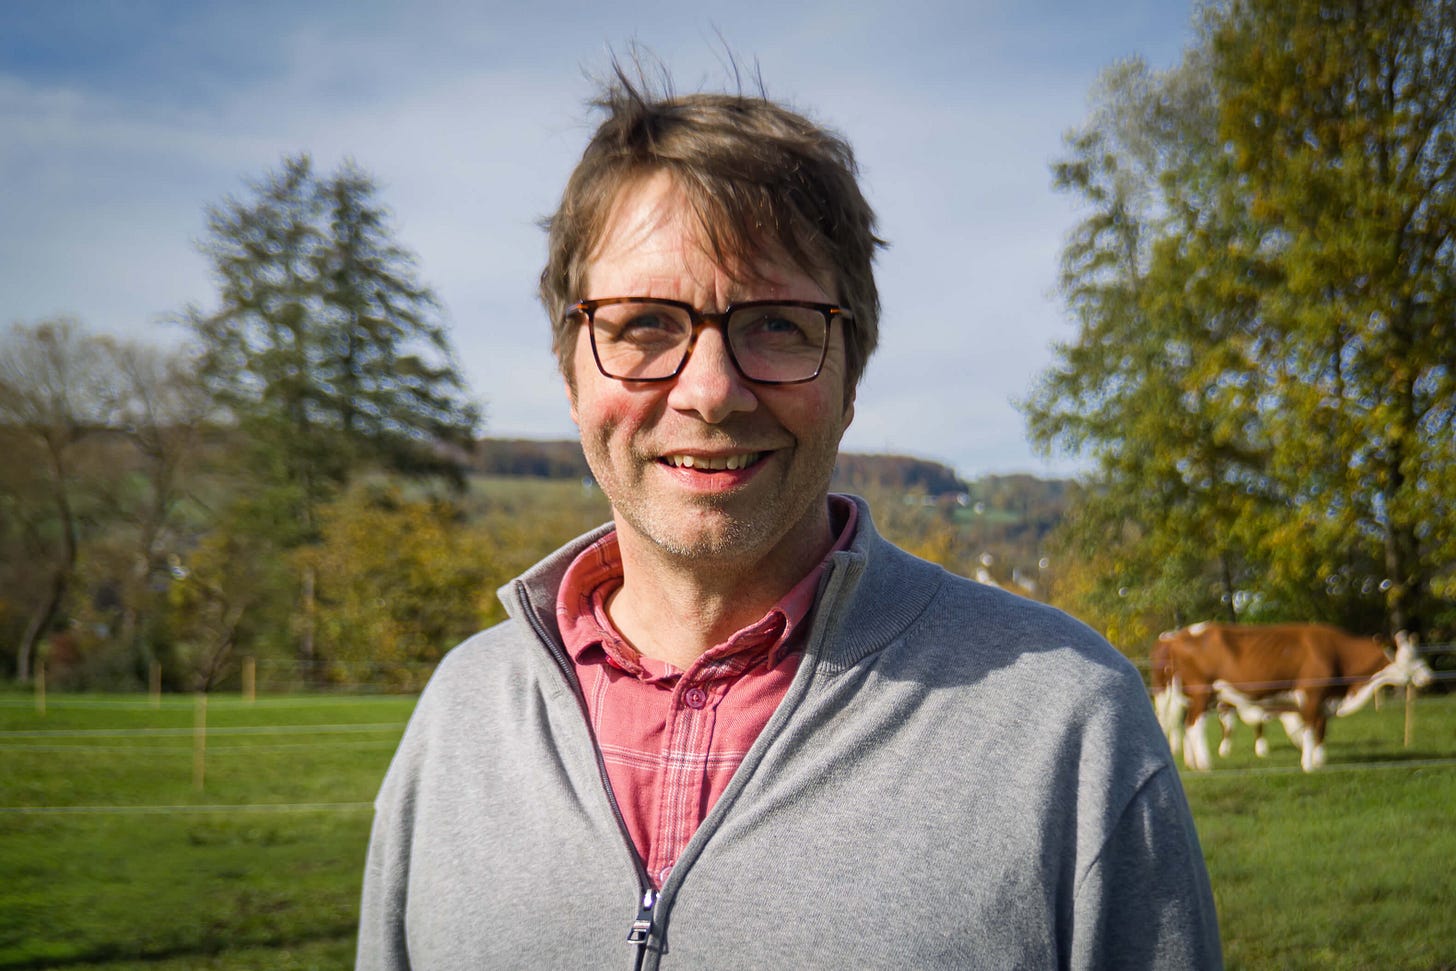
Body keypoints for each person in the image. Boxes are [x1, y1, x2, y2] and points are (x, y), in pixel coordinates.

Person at [356, 67, 1222, 970]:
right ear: (572, 372)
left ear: (850, 376)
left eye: (776, 324)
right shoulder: (460, 715)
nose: (711, 391)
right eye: (645, 322)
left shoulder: (1067, 720)